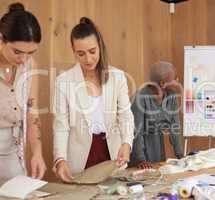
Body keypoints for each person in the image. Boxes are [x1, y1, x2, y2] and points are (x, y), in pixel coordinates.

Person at [53, 17, 134, 182]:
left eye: (92, 51)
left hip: (112, 153)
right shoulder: (64, 81)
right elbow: (61, 125)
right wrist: (60, 159)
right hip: (80, 159)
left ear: (100, 47)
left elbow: (126, 116)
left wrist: (126, 143)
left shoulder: (117, 77)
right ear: (73, 50)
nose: (88, 59)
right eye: (81, 54)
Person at [0, 3, 46, 184]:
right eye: (17, 52)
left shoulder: (29, 65)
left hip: (11, 148)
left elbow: (31, 111)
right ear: (1, 39)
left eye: (31, 53)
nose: (23, 60)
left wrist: (37, 152)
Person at [130, 61, 183, 169]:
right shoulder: (140, 97)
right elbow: (136, 131)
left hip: (157, 147)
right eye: (175, 78)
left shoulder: (172, 97)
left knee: (158, 176)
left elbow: (175, 127)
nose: (178, 81)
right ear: (162, 83)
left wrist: (180, 155)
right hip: (139, 150)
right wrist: (141, 159)